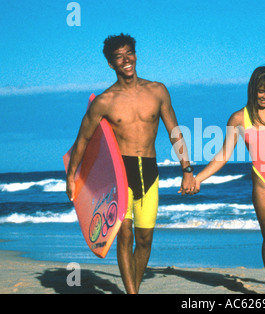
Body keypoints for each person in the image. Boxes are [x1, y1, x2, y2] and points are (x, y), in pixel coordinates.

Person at [66, 33, 196, 294]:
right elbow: (82, 140)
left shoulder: (157, 91)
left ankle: (131, 289)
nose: (126, 60)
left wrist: (187, 169)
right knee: (124, 233)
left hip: (149, 170)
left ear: (135, 55)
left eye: (129, 53)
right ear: (111, 64)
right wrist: (71, 177)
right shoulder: (104, 102)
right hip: (120, 174)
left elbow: (174, 131)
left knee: (145, 239)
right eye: (119, 57)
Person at [193, 66, 265, 294]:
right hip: (263, 182)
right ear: (252, 89)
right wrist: (198, 178)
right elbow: (224, 155)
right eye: (261, 91)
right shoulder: (239, 118)